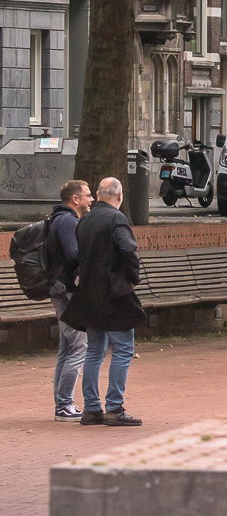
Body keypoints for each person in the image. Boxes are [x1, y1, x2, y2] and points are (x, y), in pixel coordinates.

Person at [62, 178, 144, 426]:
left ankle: (91, 408)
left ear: (98, 195)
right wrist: (132, 277)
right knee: (122, 350)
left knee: (95, 350)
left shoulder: (85, 219)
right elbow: (128, 250)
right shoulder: (117, 219)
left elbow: (79, 255)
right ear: (119, 196)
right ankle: (115, 408)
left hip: (89, 292)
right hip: (114, 293)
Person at [44, 179, 92, 420]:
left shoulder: (60, 219)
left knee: (67, 348)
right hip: (66, 291)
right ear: (76, 199)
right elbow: (73, 254)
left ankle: (62, 403)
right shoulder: (67, 221)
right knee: (79, 346)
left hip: (59, 288)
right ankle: (64, 405)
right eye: (87, 195)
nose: (91, 199)